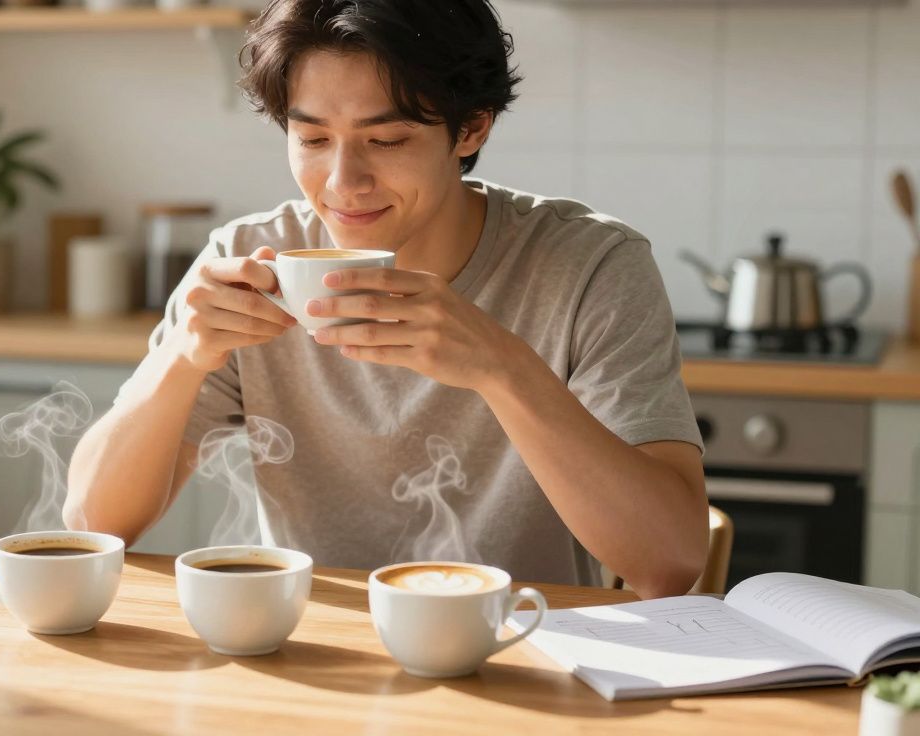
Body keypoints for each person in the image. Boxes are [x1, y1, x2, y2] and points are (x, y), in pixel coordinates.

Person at [65, 0, 707, 599]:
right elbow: (95, 523)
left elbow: (670, 561)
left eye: (387, 140)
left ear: (471, 128)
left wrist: (501, 368)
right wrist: (181, 358)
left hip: (523, 652)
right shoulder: (249, 257)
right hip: (312, 654)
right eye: (312, 140)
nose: (343, 183)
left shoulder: (590, 267)